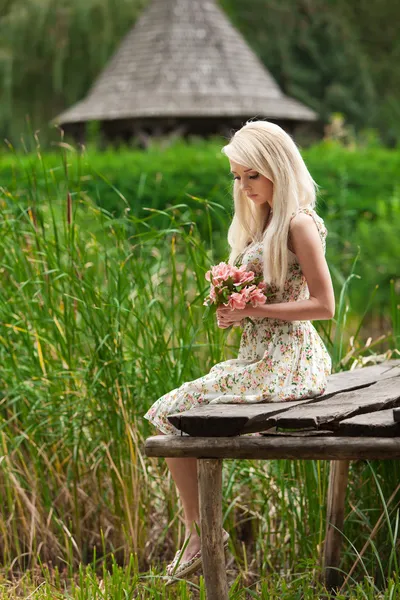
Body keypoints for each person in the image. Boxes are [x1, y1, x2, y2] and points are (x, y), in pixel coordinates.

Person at [143, 120, 335, 581]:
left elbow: (324, 306)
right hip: (259, 356)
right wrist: (234, 309)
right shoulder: (263, 222)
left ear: (277, 168)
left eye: (253, 175)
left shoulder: (298, 224)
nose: (244, 186)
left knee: (169, 410)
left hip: (289, 360)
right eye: (237, 176)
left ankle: (198, 539)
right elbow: (263, 303)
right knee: (167, 413)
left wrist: (258, 310)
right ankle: (199, 534)